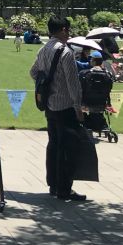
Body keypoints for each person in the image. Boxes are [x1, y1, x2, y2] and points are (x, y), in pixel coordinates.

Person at [29, 15, 87, 203]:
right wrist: (78, 107)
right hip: (65, 105)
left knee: (53, 145)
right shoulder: (66, 52)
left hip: (49, 105)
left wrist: (45, 85)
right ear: (62, 30)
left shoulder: (44, 49)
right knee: (67, 149)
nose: (69, 33)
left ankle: (53, 184)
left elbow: (33, 72)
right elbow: (73, 83)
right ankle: (64, 189)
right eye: (68, 30)